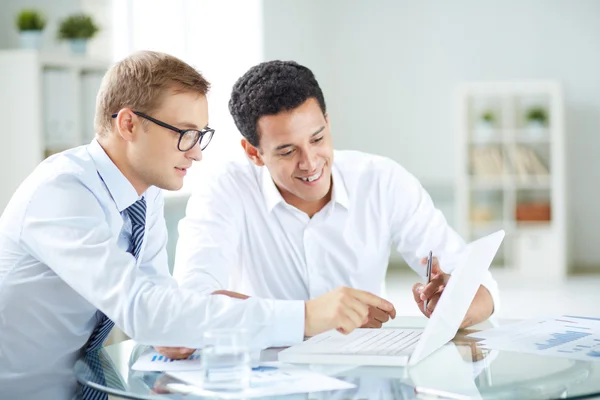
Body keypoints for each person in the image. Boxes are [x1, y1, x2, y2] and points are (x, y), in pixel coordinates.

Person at [0, 51, 394, 399]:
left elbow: (162, 312)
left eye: (200, 136)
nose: (197, 154)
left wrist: (203, 313)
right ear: (129, 124)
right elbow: (145, 310)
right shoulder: (62, 193)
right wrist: (306, 316)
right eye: (185, 135)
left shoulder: (144, 196)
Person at [170, 60, 498, 353]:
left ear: (327, 122)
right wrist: (309, 316)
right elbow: (184, 313)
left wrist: (456, 305)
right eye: (287, 151)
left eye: (317, 138)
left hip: (362, 378)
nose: (310, 163)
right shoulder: (225, 190)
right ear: (254, 153)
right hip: (265, 381)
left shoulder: (381, 180)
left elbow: (479, 282)